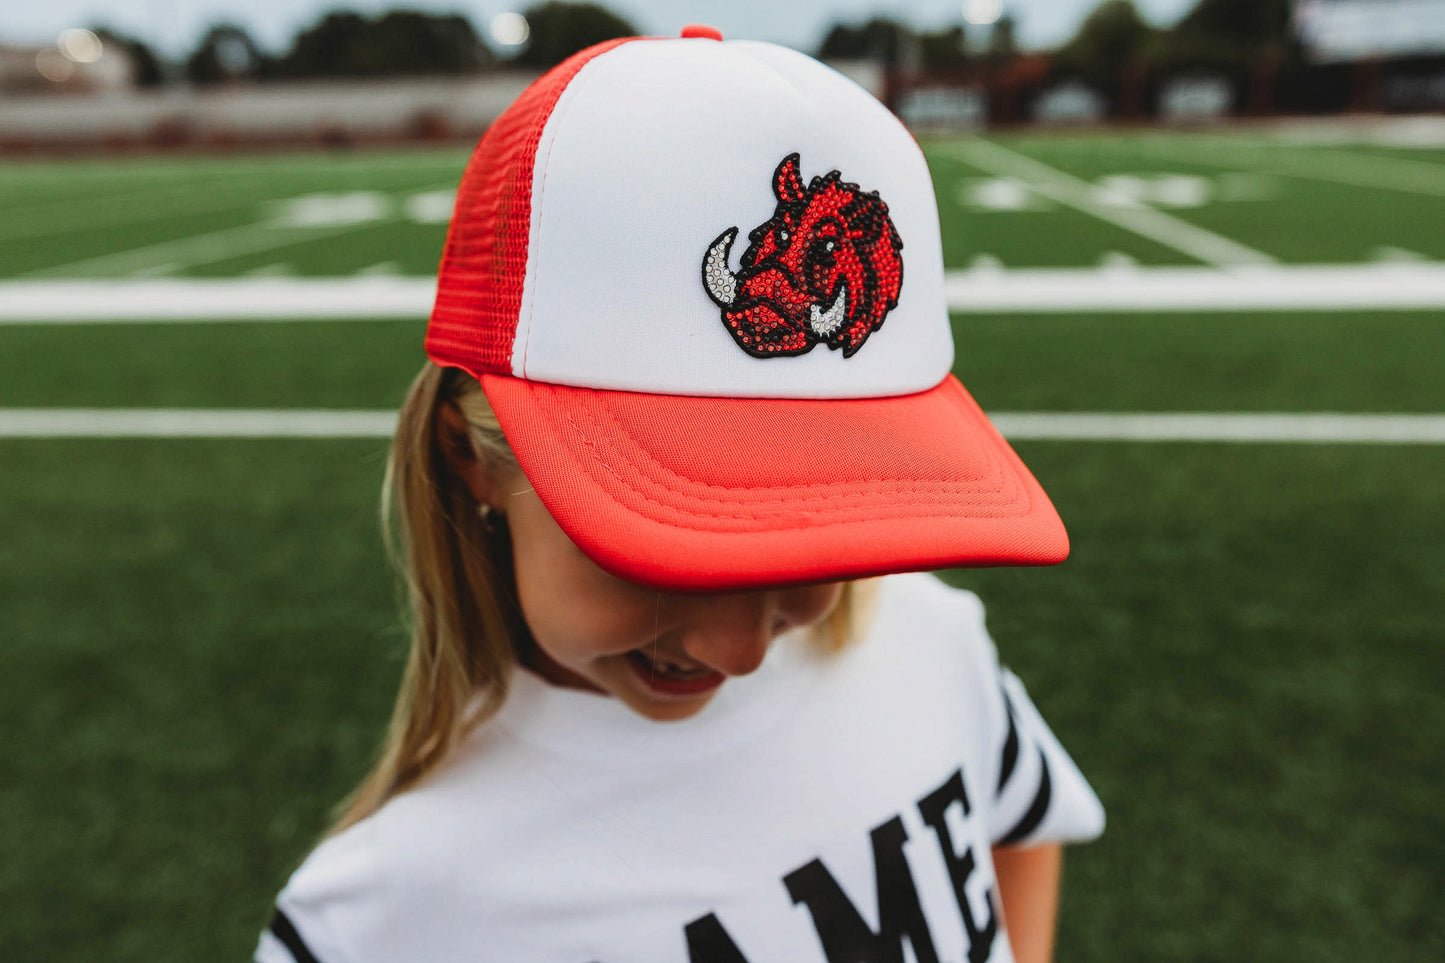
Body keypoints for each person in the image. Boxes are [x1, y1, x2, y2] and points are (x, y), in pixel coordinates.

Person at [256, 28, 1103, 963]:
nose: (736, 648)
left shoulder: (930, 641)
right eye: (656, 543)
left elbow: (1022, 824)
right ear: (471, 460)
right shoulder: (386, 914)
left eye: (818, 527)